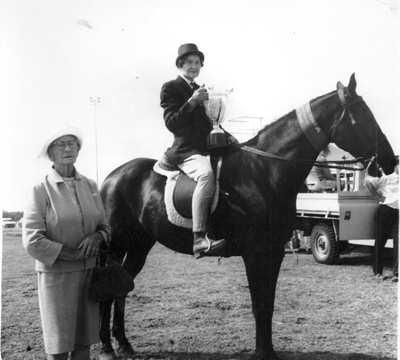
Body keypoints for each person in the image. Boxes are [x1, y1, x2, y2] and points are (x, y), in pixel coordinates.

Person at [23, 127, 111, 360]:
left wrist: (97, 237)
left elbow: (104, 225)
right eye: (60, 144)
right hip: (57, 278)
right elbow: (32, 239)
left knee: (84, 343)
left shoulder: (91, 185)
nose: (68, 148)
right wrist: (68, 254)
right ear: (50, 154)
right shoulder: (40, 189)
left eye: (72, 143)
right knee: (60, 346)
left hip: (89, 275)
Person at [160, 43, 226, 259]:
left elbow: (209, 122)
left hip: (206, 146)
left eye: (197, 63)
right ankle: (199, 237)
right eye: (189, 62)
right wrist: (191, 101)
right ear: (180, 64)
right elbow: (172, 123)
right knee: (206, 175)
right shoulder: (171, 87)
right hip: (185, 150)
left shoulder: (201, 89)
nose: (194, 66)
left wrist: (225, 134)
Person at [365, 155, 399, 282]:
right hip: (385, 211)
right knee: (380, 241)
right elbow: (367, 182)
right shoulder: (386, 178)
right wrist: (379, 197)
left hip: (398, 213)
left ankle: (396, 273)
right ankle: (378, 271)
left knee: (398, 241)